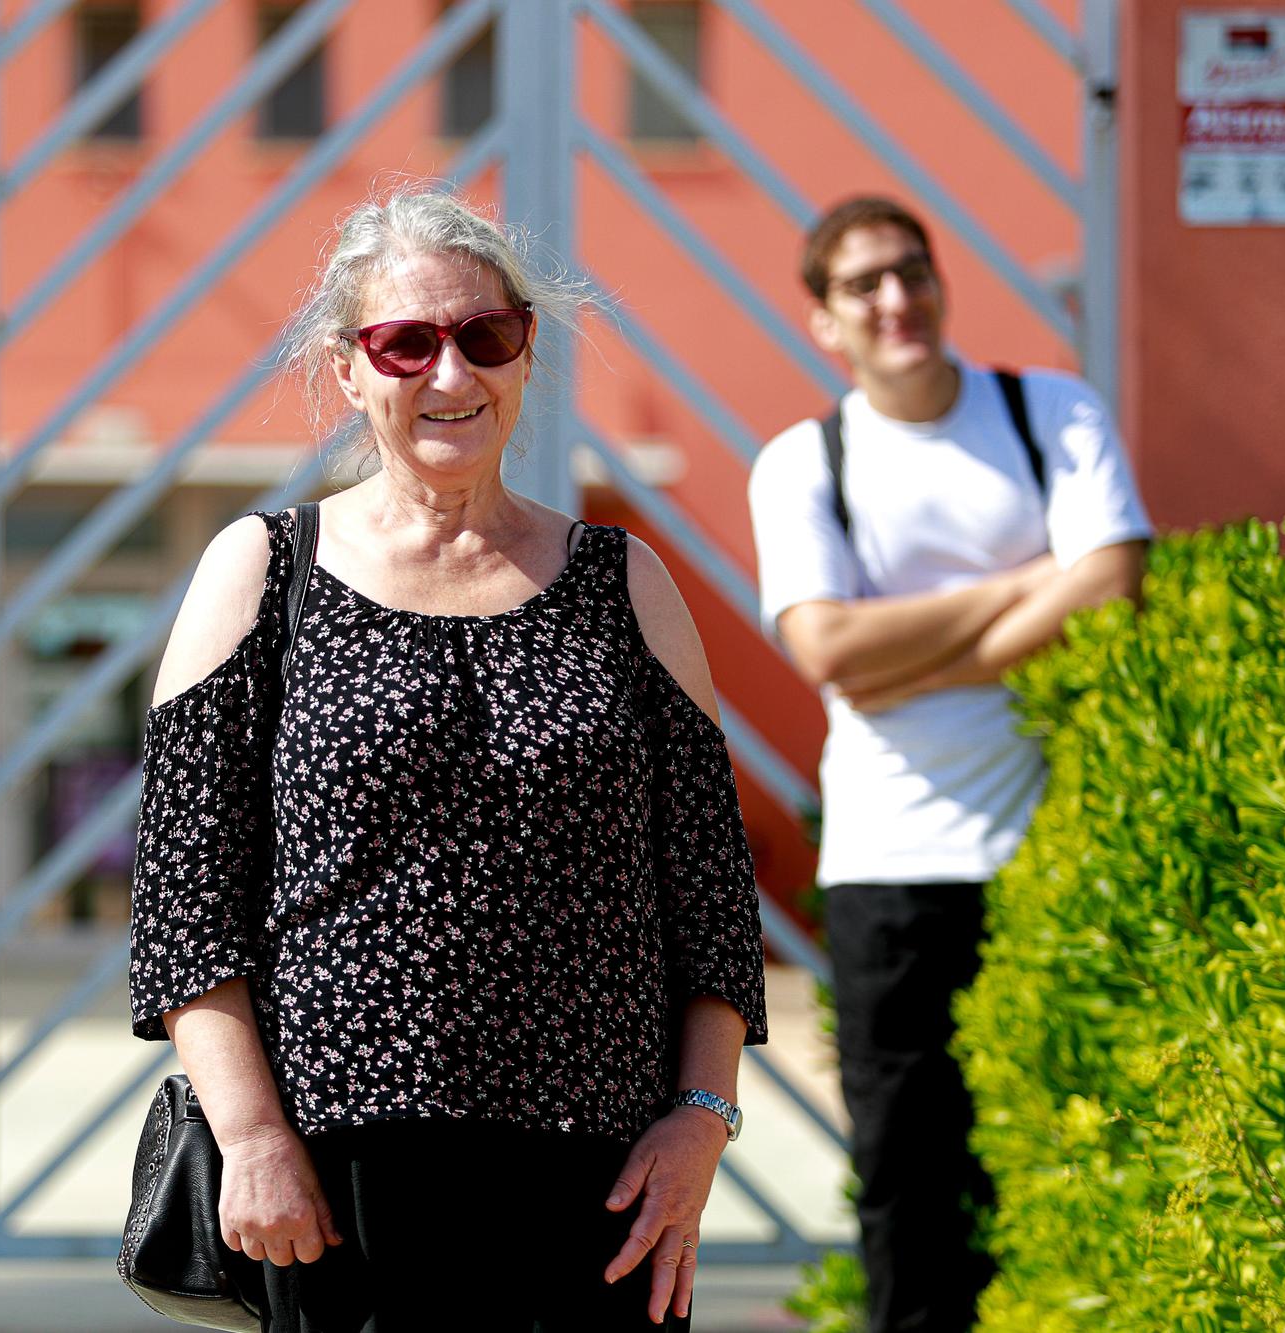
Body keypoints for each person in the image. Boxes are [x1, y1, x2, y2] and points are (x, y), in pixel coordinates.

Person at [129, 186, 768, 1333]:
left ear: (524, 356)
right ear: (347, 367)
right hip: (338, 1172)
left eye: (484, 337)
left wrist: (701, 1116)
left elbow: (710, 895)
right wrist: (252, 1137)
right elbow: (184, 901)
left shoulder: (624, 583)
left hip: (601, 1179)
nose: (448, 374)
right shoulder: (260, 570)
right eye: (405, 342)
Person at [746, 196, 1151, 1331]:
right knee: (906, 1182)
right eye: (862, 285)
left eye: (911, 272)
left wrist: (907, 654)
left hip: (1056, 854)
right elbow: (824, 646)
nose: (895, 300)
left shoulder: (1045, 412)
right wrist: (1032, 583)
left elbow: (1113, 581)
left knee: (1067, 1162)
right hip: (891, 871)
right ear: (824, 322)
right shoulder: (802, 463)